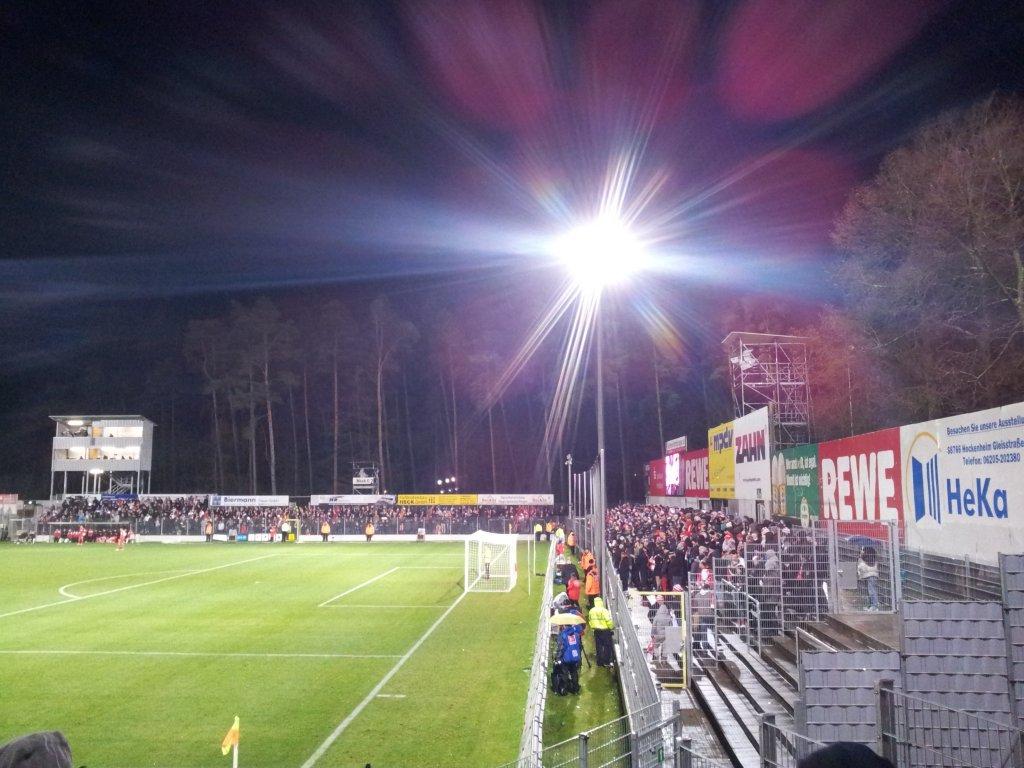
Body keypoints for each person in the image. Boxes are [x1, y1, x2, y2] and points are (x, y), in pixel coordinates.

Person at [556, 623, 583, 694]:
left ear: (564, 625)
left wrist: (557, 658)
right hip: (575, 657)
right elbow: (579, 646)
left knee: (564, 673)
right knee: (574, 672)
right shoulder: (576, 634)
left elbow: (561, 647)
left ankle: (564, 690)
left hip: (566, 657)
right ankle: (576, 689)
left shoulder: (563, 634)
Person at [588, 596, 615, 666]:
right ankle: (606, 661)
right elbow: (608, 620)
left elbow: (590, 621)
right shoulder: (604, 610)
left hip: (597, 631)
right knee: (607, 646)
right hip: (605, 631)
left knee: (599, 646)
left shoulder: (591, 611)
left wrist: (593, 628)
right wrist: (611, 627)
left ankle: (599, 662)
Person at [858, 546, 880, 611]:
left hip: (871, 575)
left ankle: (874, 606)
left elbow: (863, 565)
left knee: (872, 591)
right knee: (869, 591)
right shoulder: (873, 557)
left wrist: (861, 555)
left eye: (863, 550)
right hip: (868, 575)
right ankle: (871, 605)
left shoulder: (868, 558)